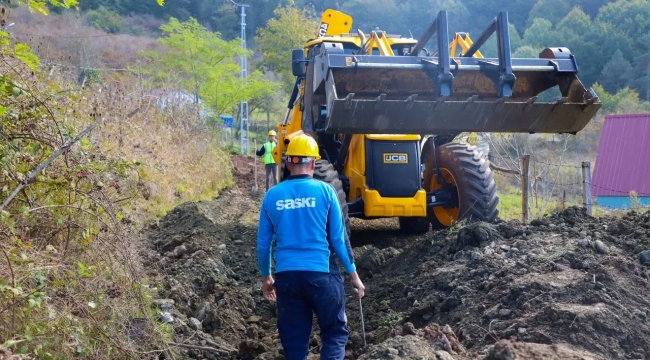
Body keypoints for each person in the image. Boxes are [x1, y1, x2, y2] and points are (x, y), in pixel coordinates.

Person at [256, 133, 365, 360]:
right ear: (314, 163)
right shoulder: (326, 192)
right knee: (334, 335)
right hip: (322, 276)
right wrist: (353, 275)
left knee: (294, 344)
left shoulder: (272, 196)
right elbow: (339, 239)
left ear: (287, 163)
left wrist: (267, 278)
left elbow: (263, 244)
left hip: (287, 279)